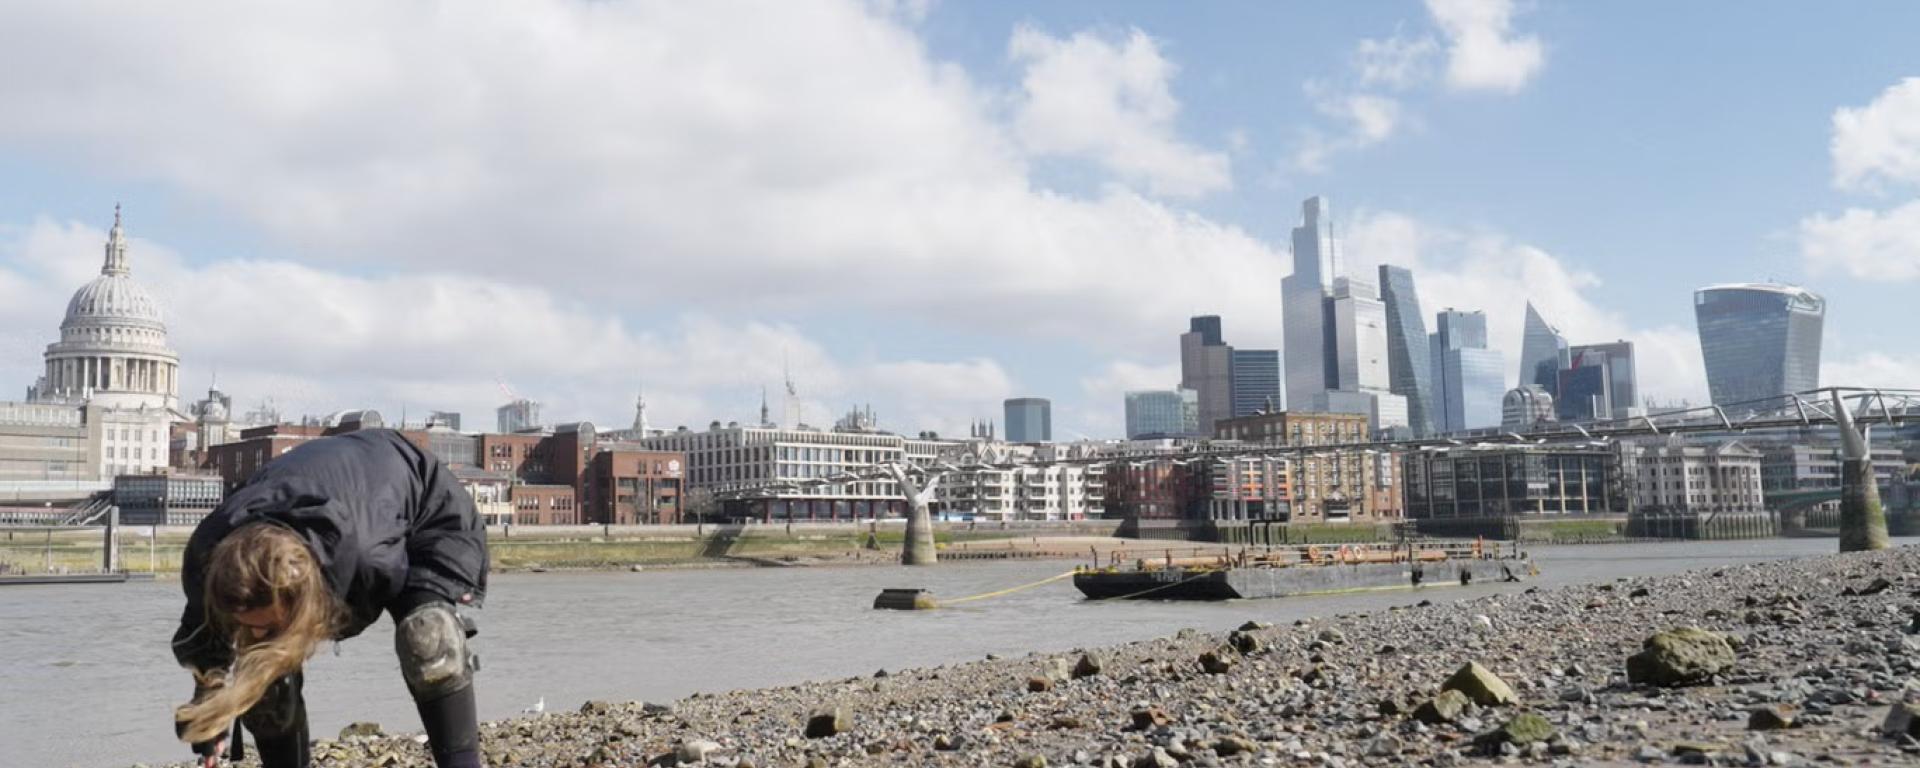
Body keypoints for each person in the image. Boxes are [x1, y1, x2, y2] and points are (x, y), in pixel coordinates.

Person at [170, 429, 489, 768]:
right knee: (263, 666)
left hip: (423, 503)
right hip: (323, 492)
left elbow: (368, 609)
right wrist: (211, 704)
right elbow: (203, 641)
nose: (260, 633)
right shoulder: (207, 561)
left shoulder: (364, 560)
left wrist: (288, 643)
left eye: (268, 623)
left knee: (428, 638)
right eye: (250, 625)